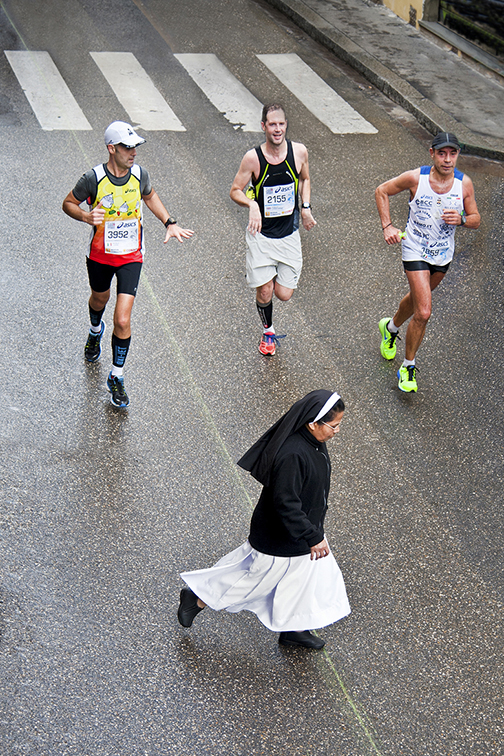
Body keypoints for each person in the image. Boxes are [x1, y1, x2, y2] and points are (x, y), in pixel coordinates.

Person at [177, 390, 350, 649]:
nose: (337, 431)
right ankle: (198, 598)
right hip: (283, 537)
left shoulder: (314, 442)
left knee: (305, 580)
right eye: (334, 425)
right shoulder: (293, 454)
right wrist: (312, 536)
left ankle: (294, 629)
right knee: (254, 580)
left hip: (302, 532)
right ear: (313, 423)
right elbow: (285, 503)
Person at [62, 120, 194, 408]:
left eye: (135, 147)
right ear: (112, 148)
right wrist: (85, 216)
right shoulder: (93, 179)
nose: (133, 152)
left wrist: (168, 221)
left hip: (131, 256)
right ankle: (95, 331)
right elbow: (68, 203)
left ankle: (117, 376)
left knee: (122, 318)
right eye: (127, 147)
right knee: (100, 298)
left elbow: (150, 195)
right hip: (99, 255)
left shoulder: (139, 175)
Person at [375, 132, 480, 393]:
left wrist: (463, 220)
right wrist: (387, 226)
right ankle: (407, 366)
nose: (447, 159)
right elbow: (381, 191)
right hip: (415, 249)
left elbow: (476, 218)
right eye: (441, 153)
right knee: (423, 311)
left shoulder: (463, 184)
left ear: (457, 155)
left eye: (452, 153)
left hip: (443, 254)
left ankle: (390, 327)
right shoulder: (415, 178)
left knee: (416, 300)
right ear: (432, 153)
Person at [230, 103, 317, 356]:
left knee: (284, 294)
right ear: (263, 127)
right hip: (261, 235)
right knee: (266, 290)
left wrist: (306, 207)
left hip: (288, 234)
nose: (277, 129)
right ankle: (268, 331)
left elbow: (305, 179)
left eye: (281, 124)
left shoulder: (299, 152)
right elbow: (235, 190)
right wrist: (251, 204)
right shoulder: (253, 158)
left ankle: (267, 276)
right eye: (272, 124)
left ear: (286, 125)